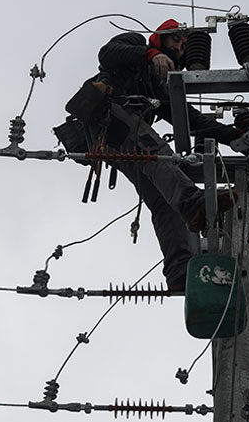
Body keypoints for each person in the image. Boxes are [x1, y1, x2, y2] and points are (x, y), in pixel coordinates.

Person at [58, 19, 239, 292]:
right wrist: (151, 54)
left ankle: (179, 272)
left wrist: (234, 136)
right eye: (176, 39)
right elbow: (107, 54)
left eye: (184, 44)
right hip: (109, 117)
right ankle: (192, 202)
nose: (180, 46)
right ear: (161, 36)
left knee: (162, 198)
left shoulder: (158, 88)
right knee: (158, 155)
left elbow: (191, 121)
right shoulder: (135, 44)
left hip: (117, 141)